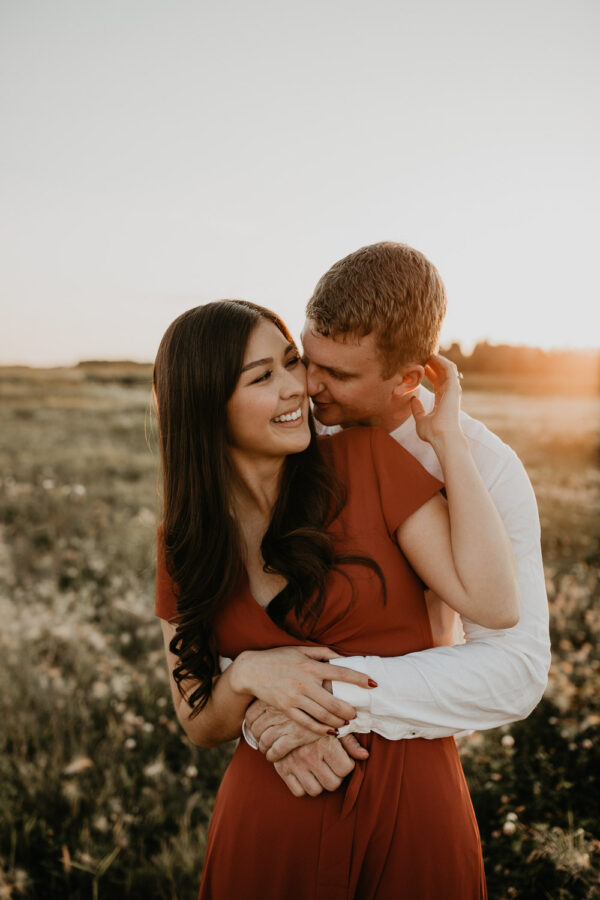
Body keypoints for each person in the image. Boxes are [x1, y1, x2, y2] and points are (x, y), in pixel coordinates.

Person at [153, 298, 520, 898]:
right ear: (206, 406)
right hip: (273, 814)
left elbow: (494, 603)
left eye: (290, 362)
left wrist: (448, 439)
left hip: (413, 804)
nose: (296, 388)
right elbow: (198, 721)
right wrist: (247, 677)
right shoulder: (183, 540)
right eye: (262, 376)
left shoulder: (367, 460)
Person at [244, 242, 550, 802]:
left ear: (409, 380)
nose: (308, 386)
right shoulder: (290, 436)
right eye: (306, 359)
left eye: (336, 373)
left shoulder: (487, 468)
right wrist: (258, 705)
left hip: (405, 764)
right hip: (288, 771)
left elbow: (517, 672)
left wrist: (328, 697)